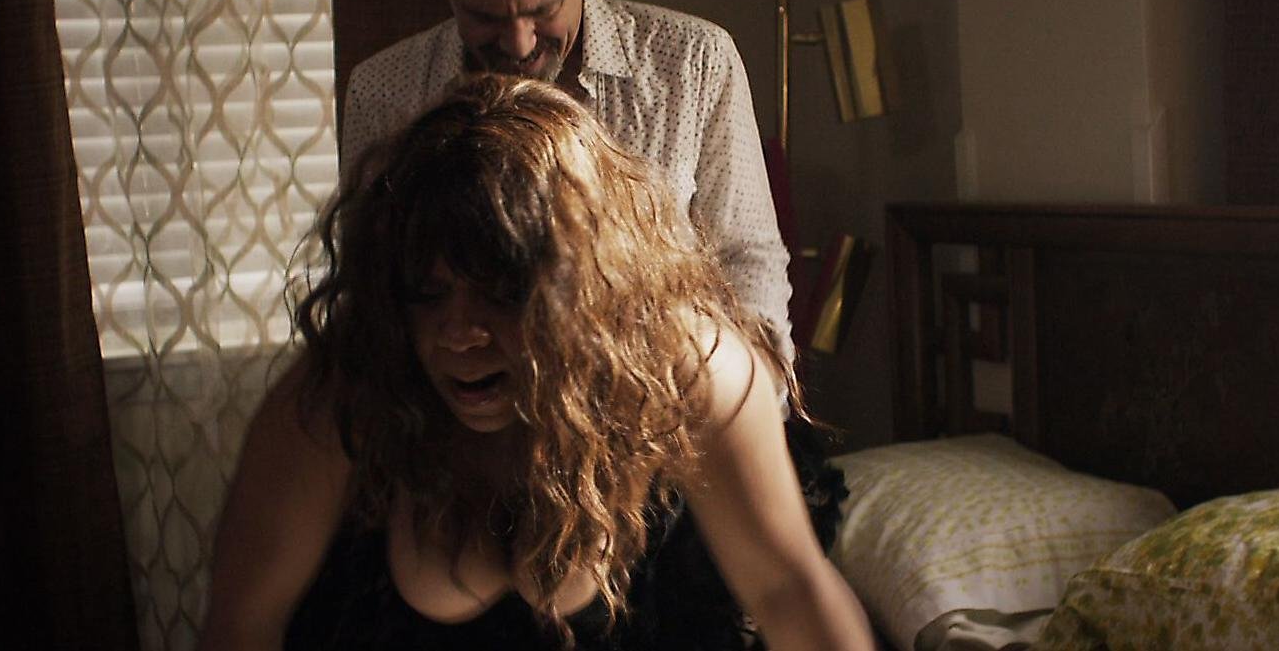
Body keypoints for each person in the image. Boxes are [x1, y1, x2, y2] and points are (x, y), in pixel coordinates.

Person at [198, 74, 871, 650]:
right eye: (427, 293)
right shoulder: (342, 393)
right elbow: (240, 631)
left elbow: (791, 594)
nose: (459, 333)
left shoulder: (691, 372)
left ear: (588, 292)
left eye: (501, 291)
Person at [342, 0, 792, 353]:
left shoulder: (695, 62)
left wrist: (752, 387)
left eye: (544, 10)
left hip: (662, 388)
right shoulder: (383, 92)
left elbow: (748, 263)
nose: (518, 44)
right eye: (485, 17)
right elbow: (372, 290)